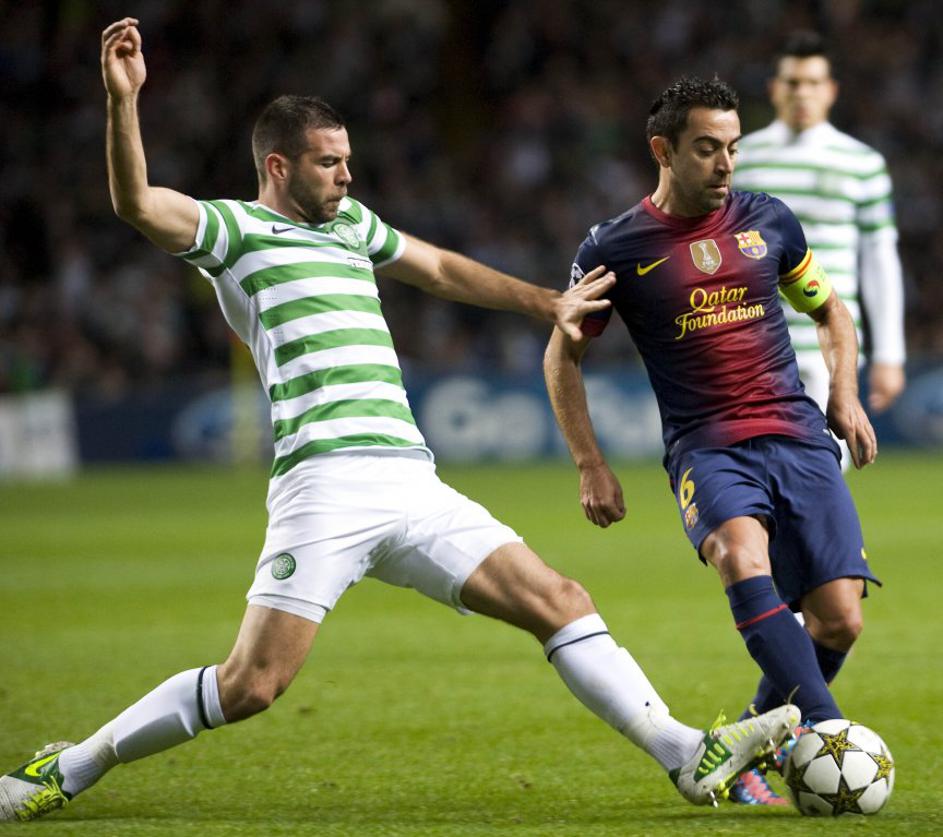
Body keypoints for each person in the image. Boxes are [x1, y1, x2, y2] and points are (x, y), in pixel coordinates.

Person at [0, 20, 797, 824]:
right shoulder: (234, 231)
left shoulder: (353, 224)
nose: (347, 174)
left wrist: (546, 302)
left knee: (558, 597)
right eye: (328, 161)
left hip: (411, 481)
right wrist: (123, 101)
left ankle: (685, 754)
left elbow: (440, 268)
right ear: (277, 165)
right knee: (252, 685)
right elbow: (136, 203)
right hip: (325, 484)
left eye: (347, 159)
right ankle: (70, 764)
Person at [543, 76, 880, 809]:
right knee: (737, 554)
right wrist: (589, 462)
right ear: (662, 150)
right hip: (708, 446)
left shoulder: (769, 221)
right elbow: (562, 355)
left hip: (797, 435)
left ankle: (744, 743)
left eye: (732, 147)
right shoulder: (613, 246)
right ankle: (828, 731)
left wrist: (845, 393)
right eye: (706, 148)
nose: (725, 163)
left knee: (839, 619)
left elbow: (831, 313)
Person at [734, 31, 906, 470]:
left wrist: (890, 353)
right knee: (760, 481)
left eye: (813, 82)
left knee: (816, 478)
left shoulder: (862, 163)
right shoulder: (740, 160)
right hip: (753, 347)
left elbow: (880, 258)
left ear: (830, 90)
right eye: (793, 82)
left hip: (828, 349)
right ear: (774, 89)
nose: (802, 93)